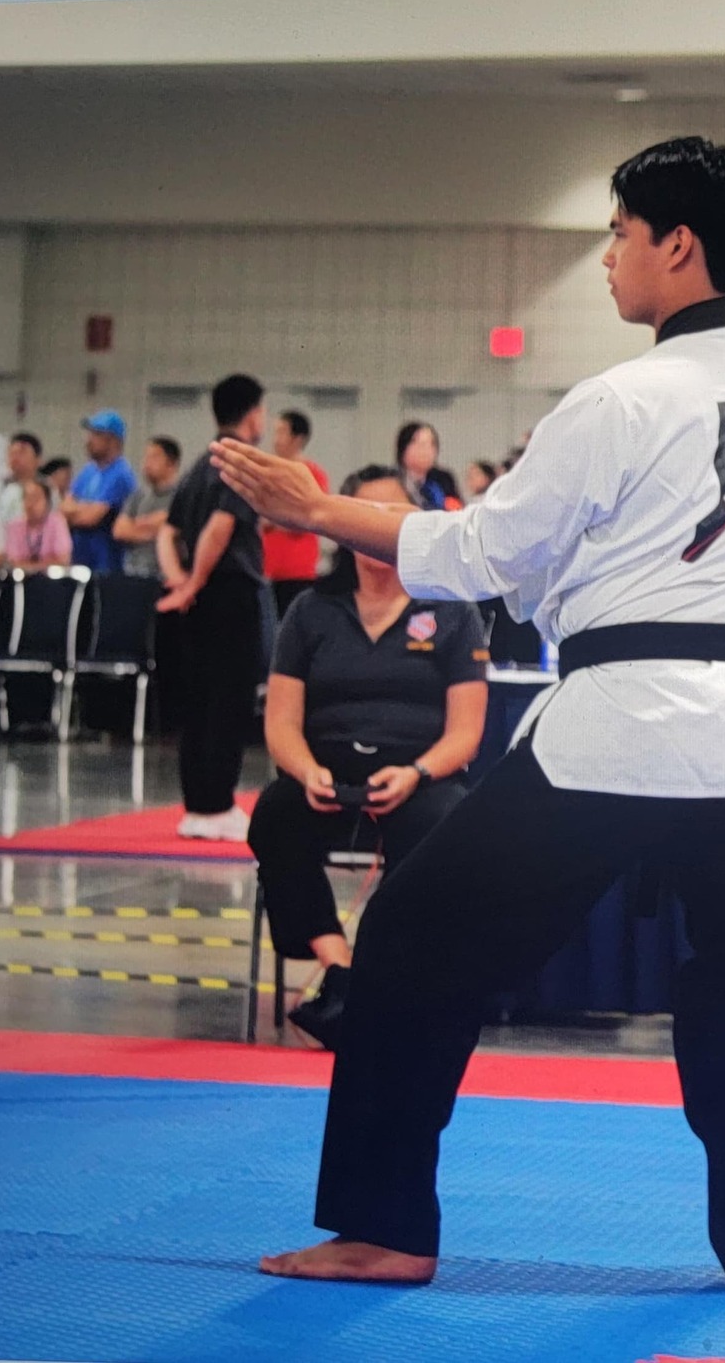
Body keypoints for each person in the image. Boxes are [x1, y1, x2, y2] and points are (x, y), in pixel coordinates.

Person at [216, 137, 725, 1299]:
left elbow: (484, 551)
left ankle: (382, 1226)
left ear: (675, 245)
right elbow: (588, 565)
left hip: (627, 726)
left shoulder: (622, 395)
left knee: (407, 937)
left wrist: (317, 507)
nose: (607, 258)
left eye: (618, 233)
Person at [249, 465, 490, 1051]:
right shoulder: (310, 609)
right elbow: (280, 721)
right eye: (365, 514)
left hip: (417, 775)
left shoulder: (452, 608)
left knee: (443, 826)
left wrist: (416, 773)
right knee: (274, 816)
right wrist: (305, 770)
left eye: (393, 516)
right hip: (324, 774)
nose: (377, 529)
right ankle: (340, 969)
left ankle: (385, 972)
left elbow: (467, 731)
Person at [159, 375, 273, 842]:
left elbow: (166, 533)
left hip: (200, 595)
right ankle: (219, 806)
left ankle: (197, 807)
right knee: (228, 701)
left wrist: (179, 581)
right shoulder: (240, 462)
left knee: (200, 700)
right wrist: (195, 582)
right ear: (251, 414)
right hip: (228, 593)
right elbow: (222, 527)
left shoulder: (198, 465)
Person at [263, 410, 331, 614]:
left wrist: (276, 517)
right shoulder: (268, 472)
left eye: (282, 432)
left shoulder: (313, 475)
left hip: (299, 571)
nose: (276, 440)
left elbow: (307, 519)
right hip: (268, 571)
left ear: (298, 438)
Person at [64, 409, 139, 573]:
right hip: (80, 560)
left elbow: (90, 518)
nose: (89, 440)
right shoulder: (88, 471)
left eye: (96, 434)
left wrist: (79, 509)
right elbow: (64, 509)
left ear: (114, 441)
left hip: (107, 564)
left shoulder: (121, 474)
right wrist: (86, 508)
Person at [112, 437, 181, 580]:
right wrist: (155, 527)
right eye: (146, 456)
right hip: (133, 575)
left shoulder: (183, 496)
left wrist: (136, 525)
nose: (147, 463)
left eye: (154, 457)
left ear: (172, 463)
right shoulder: (137, 496)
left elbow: (178, 527)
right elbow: (119, 531)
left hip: (165, 578)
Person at [2, 479, 73, 573]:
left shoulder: (57, 523)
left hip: (52, 581)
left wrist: (31, 567)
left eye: (36, 498)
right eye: (27, 498)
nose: (30, 504)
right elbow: (13, 563)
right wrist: (43, 564)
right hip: (22, 579)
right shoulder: (15, 526)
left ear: (47, 502)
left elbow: (63, 560)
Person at [394, 422, 460, 512]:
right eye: (420, 444)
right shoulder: (391, 480)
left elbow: (457, 510)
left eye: (432, 444)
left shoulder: (444, 480)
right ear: (403, 448)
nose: (427, 450)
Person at [0, 433, 43, 530]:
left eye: (22, 452)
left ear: (38, 460)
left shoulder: (47, 489)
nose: (15, 457)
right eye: (12, 453)